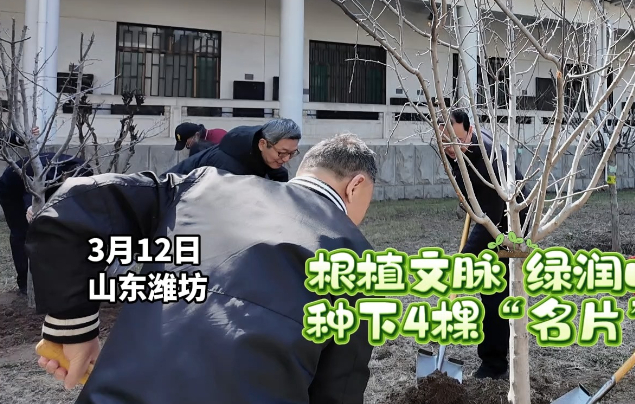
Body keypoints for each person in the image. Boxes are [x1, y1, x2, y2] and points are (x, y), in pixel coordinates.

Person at [26, 133, 379, 403]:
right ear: (356, 185)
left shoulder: (202, 184)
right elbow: (338, 390)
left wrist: (72, 325)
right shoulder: (355, 259)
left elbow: (76, 201)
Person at [438, 109, 527, 380]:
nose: (447, 147)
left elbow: (489, 217)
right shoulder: (458, 146)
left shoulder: (485, 155)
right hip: (492, 213)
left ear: (467, 129)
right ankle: (499, 357)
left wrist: (464, 259)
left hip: (513, 222)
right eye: (442, 141)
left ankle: (495, 365)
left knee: (495, 289)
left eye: (452, 140)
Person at [0, 141, 93, 295]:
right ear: (64, 177)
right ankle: (25, 284)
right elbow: (30, 189)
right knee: (22, 233)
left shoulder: (85, 171)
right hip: (13, 189)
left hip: (45, 189)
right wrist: (30, 207)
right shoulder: (48, 171)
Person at [163, 118, 301, 182]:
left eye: (292, 153)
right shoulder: (228, 168)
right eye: (282, 153)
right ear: (262, 144)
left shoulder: (270, 159)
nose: (286, 159)